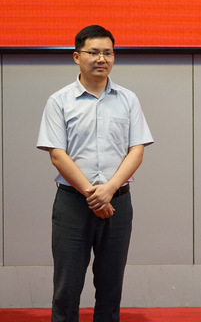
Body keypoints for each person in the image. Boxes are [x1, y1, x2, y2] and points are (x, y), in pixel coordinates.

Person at [37, 25, 154, 322]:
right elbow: (57, 154)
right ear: (77, 56)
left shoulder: (128, 99)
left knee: (111, 288)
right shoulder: (59, 101)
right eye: (94, 52)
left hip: (118, 202)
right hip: (72, 204)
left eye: (108, 53)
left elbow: (136, 150)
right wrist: (94, 195)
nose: (102, 58)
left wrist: (109, 190)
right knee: (66, 288)